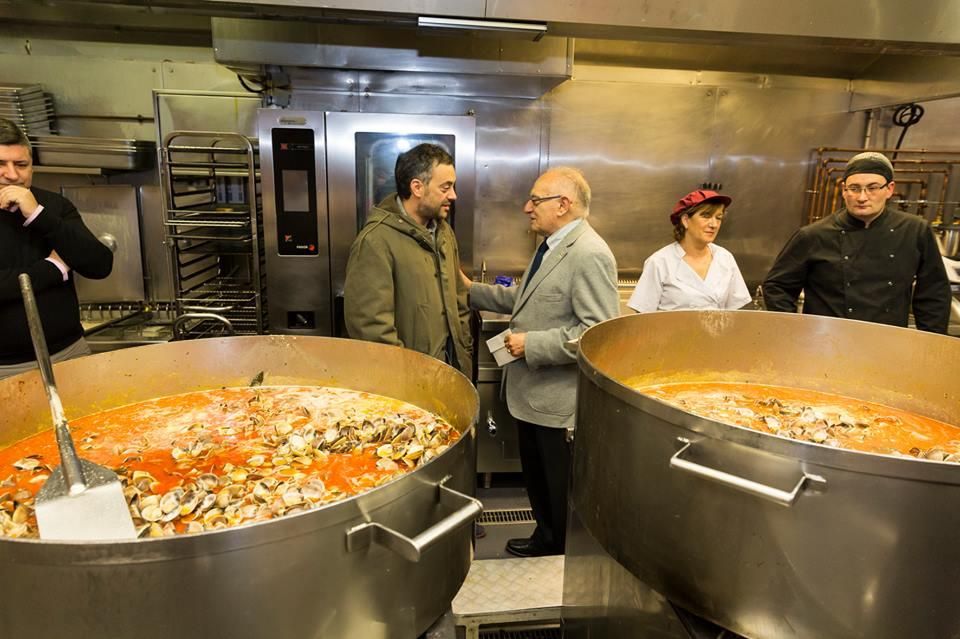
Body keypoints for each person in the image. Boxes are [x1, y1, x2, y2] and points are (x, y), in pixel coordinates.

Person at [461, 167, 618, 557]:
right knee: (537, 477)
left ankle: (558, 550)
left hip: (556, 402)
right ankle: (546, 534)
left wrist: (533, 344)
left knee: (553, 482)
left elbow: (597, 333)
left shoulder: (589, 253)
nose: (526, 207)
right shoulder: (551, 245)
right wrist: (469, 292)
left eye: (536, 199)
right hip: (532, 396)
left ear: (563, 205)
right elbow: (524, 297)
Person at [762, 151, 951, 333]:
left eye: (872, 188)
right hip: (826, 344)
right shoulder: (813, 235)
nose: (862, 197)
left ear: (890, 189)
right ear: (844, 190)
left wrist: (929, 345)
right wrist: (792, 332)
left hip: (889, 344)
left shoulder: (915, 231)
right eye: (854, 188)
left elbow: (934, 293)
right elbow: (778, 287)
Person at [343, 142, 472, 376]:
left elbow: (459, 301)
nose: (453, 195)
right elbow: (372, 329)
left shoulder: (444, 233)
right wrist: (407, 377)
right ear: (417, 187)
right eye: (446, 187)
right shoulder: (376, 241)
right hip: (409, 382)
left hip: (449, 373)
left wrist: (464, 353)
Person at [0, 118, 113, 379]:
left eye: (21, 165)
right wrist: (53, 269)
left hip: (69, 353)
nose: (13, 175)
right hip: (4, 369)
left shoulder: (53, 206)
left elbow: (99, 264)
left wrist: (38, 215)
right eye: (1, 165)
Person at [628, 189, 750, 313]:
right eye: (706, 216)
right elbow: (643, 317)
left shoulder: (725, 258)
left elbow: (736, 313)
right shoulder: (660, 262)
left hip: (718, 332)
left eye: (718, 218)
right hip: (672, 332)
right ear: (685, 220)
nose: (714, 224)